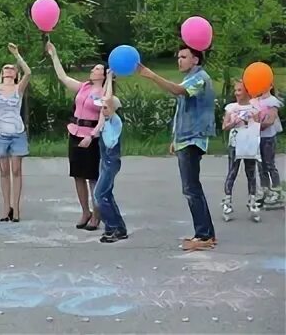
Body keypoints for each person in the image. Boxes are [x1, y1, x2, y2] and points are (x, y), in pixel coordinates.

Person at [138, 45, 217, 251]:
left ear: (196, 60)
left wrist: (151, 75)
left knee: (191, 188)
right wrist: (175, 138)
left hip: (193, 139)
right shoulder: (191, 77)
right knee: (191, 188)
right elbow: (182, 110)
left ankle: (204, 235)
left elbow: (178, 91)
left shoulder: (200, 78)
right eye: (179, 57)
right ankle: (205, 232)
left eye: (184, 56)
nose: (179, 60)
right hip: (184, 139)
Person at [45, 42, 103, 231]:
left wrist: (93, 136)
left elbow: (104, 117)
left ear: (104, 75)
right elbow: (62, 77)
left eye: (97, 69)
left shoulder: (105, 92)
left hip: (91, 137)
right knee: (78, 175)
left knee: (92, 177)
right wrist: (54, 55)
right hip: (76, 133)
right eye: (94, 68)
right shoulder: (84, 87)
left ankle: (97, 214)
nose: (93, 70)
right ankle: (85, 211)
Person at [0, 43, 31, 222]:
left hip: (17, 132)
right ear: (2, 74)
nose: (8, 70)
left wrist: (17, 55)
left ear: (15, 74)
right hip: (1, 133)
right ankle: (5, 208)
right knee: (3, 171)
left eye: (11, 68)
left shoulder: (19, 88)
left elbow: (29, 73)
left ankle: (16, 209)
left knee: (16, 170)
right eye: (5, 68)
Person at [90, 71, 127, 243]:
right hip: (105, 160)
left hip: (111, 160)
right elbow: (105, 99)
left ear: (112, 108)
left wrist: (110, 79)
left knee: (99, 194)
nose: (102, 109)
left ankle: (113, 227)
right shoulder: (105, 119)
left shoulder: (114, 119)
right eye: (102, 107)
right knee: (106, 194)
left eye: (105, 107)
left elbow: (109, 98)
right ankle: (117, 228)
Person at [221, 80, 260, 222]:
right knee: (232, 172)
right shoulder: (231, 107)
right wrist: (234, 122)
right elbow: (225, 126)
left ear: (247, 92)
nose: (237, 93)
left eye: (239, 90)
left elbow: (258, 126)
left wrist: (253, 119)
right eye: (236, 90)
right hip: (235, 143)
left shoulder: (254, 107)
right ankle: (227, 201)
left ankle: (252, 201)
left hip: (249, 143)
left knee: (251, 173)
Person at [252, 87, 284, 207]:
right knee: (261, 166)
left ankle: (276, 191)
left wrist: (256, 126)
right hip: (258, 137)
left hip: (268, 137)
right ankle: (265, 191)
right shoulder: (255, 100)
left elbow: (270, 120)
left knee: (270, 164)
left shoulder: (272, 101)